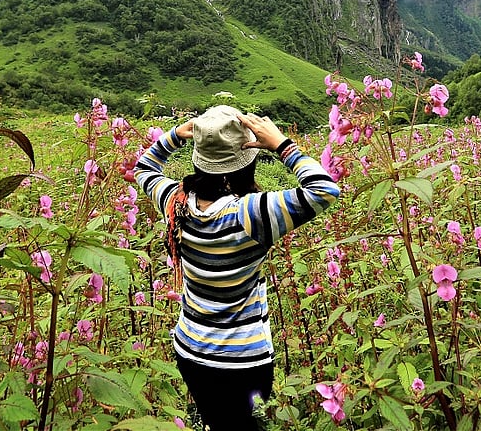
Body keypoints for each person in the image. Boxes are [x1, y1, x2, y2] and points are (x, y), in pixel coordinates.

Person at [135, 105, 340, 430]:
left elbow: (144, 169)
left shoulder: (175, 203)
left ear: (198, 158)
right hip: (243, 362)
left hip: (190, 352)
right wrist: (281, 144)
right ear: (246, 161)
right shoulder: (251, 214)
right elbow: (325, 190)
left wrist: (176, 134)